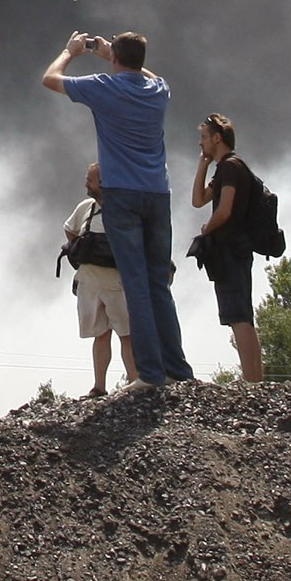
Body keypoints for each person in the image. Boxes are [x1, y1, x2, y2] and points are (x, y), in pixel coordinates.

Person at [42, 31, 194, 385]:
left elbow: (50, 80)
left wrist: (71, 51)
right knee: (159, 284)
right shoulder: (158, 90)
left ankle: (151, 374)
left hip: (123, 195)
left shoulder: (104, 87)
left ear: (114, 60)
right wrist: (115, 55)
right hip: (158, 193)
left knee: (136, 284)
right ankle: (178, 370)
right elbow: (152, 76)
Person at [188, 115, 265, 383]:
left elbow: (224, 211)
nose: (201, 143)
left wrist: (206, 229)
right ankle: (255, 379)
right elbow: (198, 200)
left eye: (204, 137)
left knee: (238, 317)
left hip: (231, 249)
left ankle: (251, 381)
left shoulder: (231, 167)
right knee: (243, 315)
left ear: (216, 138)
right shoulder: (224, 168)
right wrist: (203, 165)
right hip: (236, 249)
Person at [61, 163, 132, 394]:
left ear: (103, 182)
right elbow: (70, 230)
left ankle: (135, 383)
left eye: (90, 179)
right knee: (101, 334)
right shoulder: (86, 208)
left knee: (126, 334)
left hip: (117, 283)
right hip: (90, 283)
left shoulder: (122, 209)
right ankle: (99, 386)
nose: (86, 184)